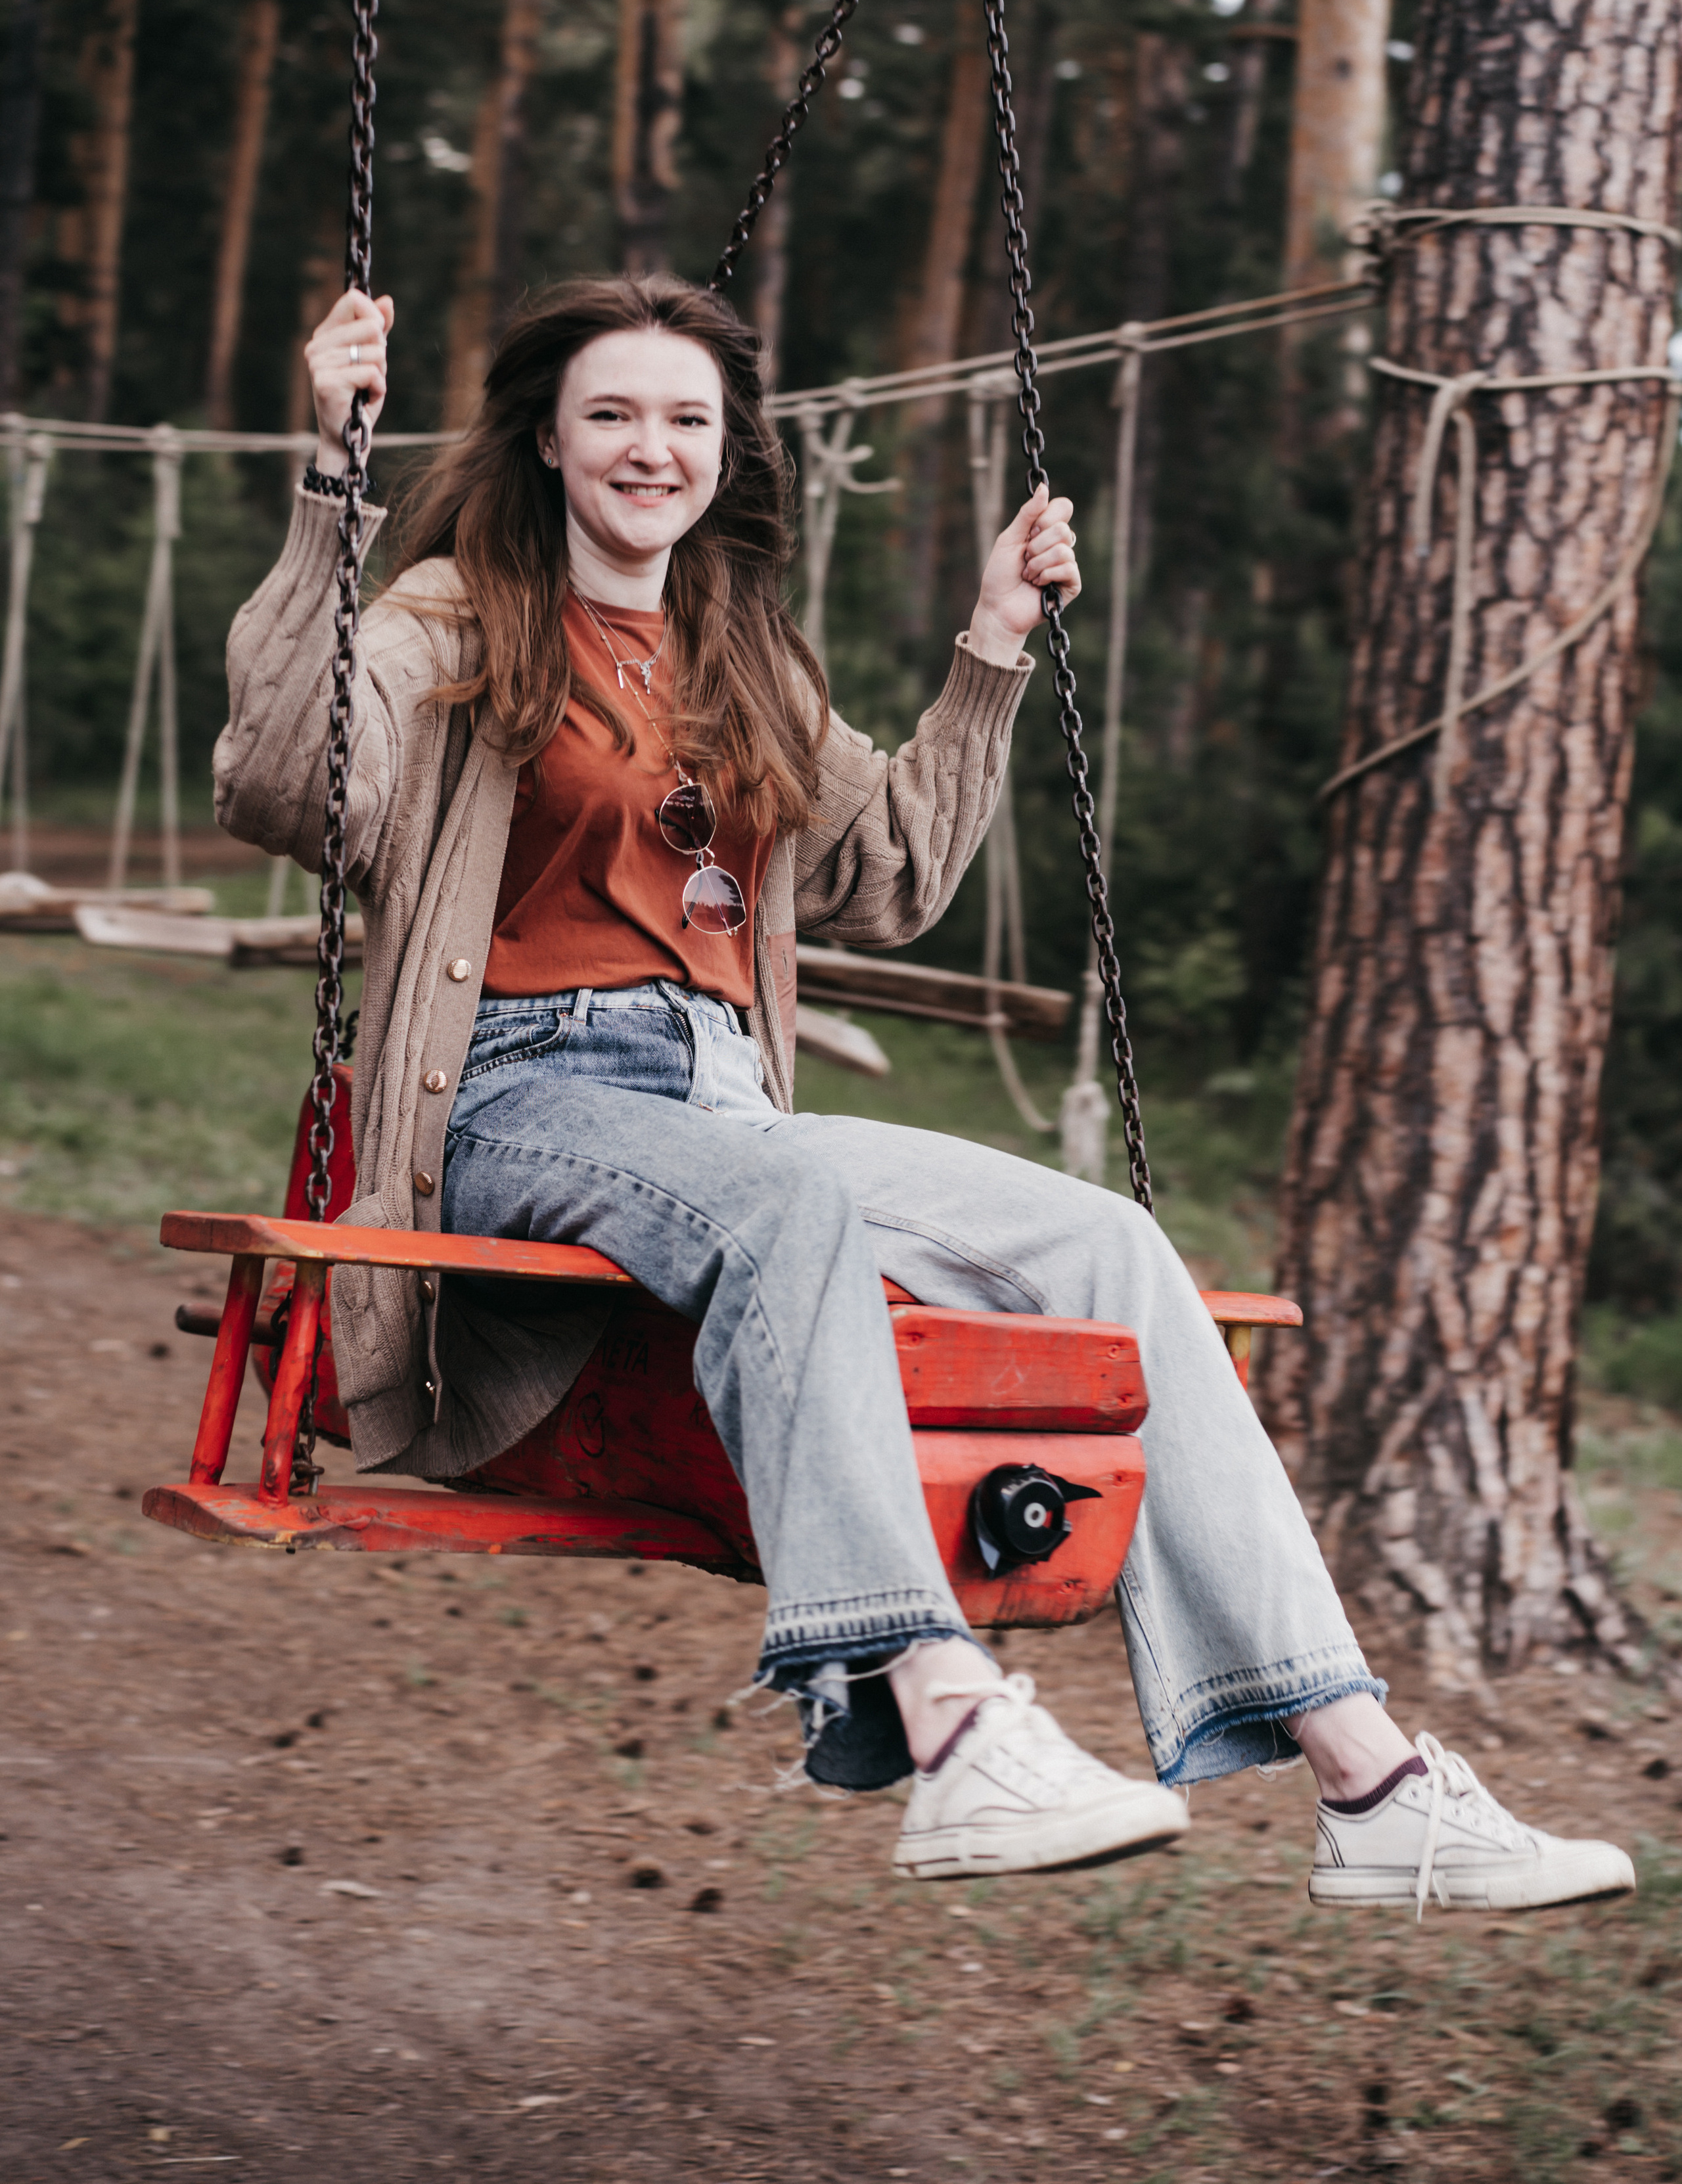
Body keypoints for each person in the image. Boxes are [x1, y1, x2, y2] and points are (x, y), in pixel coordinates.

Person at [216, 271, 1634, 1911]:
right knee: (797, 1193)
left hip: (731, 1114)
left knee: (1107, 1246)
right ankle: (946, 1725)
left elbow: (884, 873)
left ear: (725, 448)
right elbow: (284, 781)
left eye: (685, 419)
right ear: (546, 438)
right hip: (515, 1096)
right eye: (611, 413)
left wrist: (991, 647)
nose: (649, 448)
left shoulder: (735, 652)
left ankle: (1368, 1778)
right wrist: (334, 481)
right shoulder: (451, 616)